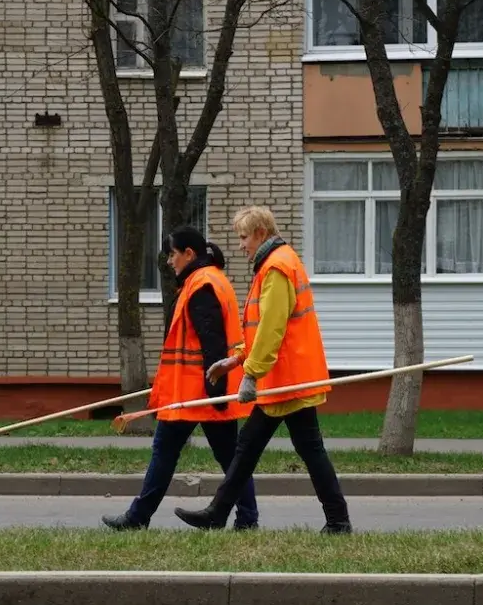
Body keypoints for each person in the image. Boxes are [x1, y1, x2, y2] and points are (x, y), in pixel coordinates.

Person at [173, 205, 352, 534]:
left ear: (260, 234)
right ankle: (336, 519)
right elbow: (260, 330)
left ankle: (219, 512)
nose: (240, 245)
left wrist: (251, 373)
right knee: (291, 449)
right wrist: (237, 358)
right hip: (287, 377)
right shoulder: (276, 263)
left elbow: (272, 329)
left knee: (260, 448)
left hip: (284, 378)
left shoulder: (276, 268)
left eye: (243, 237)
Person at [101, 225, 260, 531]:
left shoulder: (201, 285)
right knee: (230, 458)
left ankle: (137, 518)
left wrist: (216, 390)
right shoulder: (210, 280)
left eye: (173, 254)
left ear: (189, 253)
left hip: (195, 392)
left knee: (166, 452)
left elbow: (211, 340)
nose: (169, 261)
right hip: (203, 390)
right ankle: (247, 518)